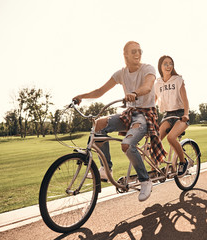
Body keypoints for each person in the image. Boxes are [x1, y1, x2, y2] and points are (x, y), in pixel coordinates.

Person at [73, 41, 166, 202]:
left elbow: (148, 86)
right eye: (133, 51)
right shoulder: (120, 74)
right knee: (98, 125)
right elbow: (100, 91)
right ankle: (105, 168)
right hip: (129, 114)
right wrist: (81, 96)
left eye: (139, 51)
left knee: (127, 145)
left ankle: (145, 181)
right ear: (125, 55)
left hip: (145, 115)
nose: (137, 54)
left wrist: (135, 93)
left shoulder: (148, 69)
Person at [154, 55, 190, 175]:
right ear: (160, 66)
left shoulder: (178, 80)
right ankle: (155, 168)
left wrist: (186, 114)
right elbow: (152, 101)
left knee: (171, 138)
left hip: (180, 114)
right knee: (156, 140)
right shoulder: (157, 83)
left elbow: (185, 100)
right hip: (167, 115)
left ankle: (183, 162)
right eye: (165, 64)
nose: (168, 66)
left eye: (170, 63)